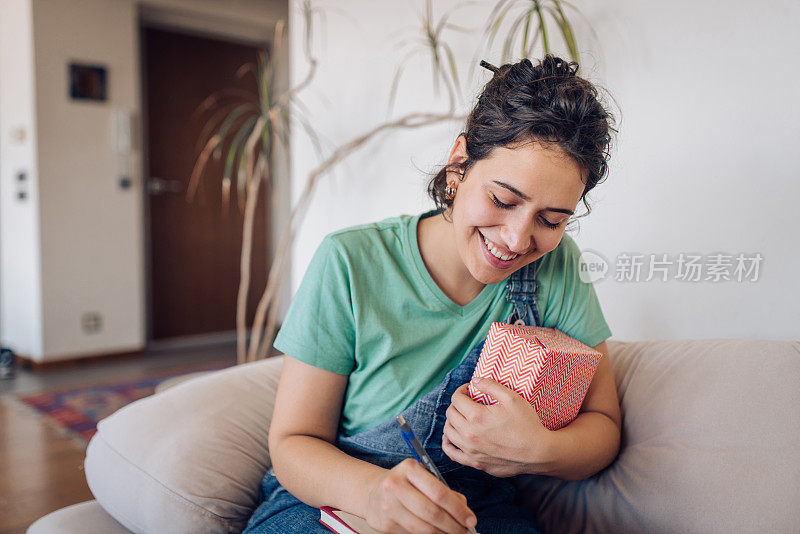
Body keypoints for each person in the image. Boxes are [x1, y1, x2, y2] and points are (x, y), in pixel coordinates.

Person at [244, 55, 621, 534]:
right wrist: (373, 495)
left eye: (551, 220)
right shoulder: (350, 261)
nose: (515, 239)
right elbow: (294, 441)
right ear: (459, 164)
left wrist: (541, 450)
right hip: (333, 499)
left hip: (474, 505)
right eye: (503, 200)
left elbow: (603, 426)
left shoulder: (557, 265)